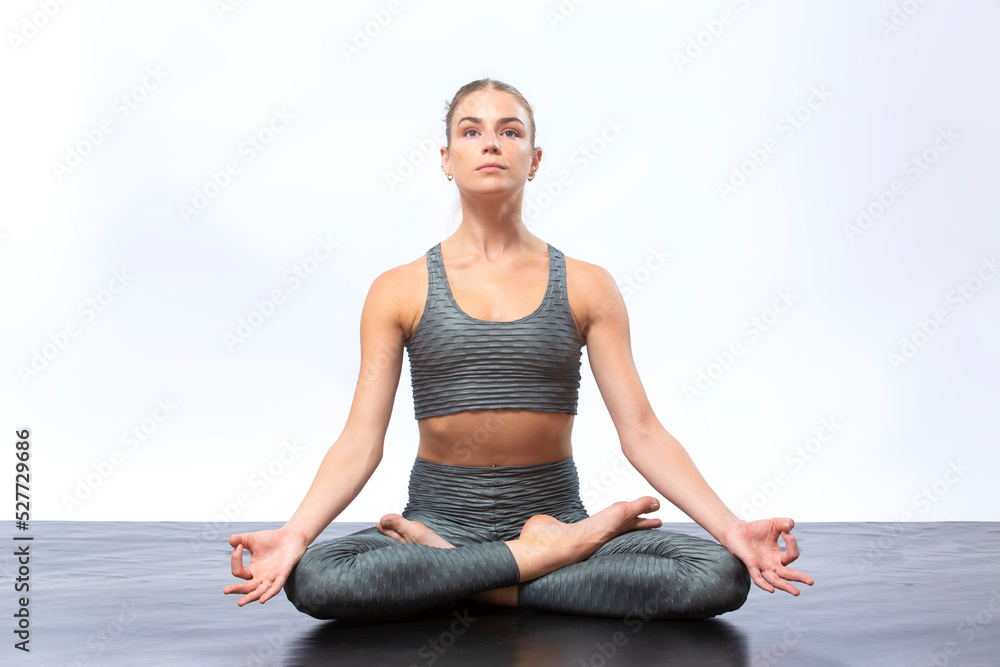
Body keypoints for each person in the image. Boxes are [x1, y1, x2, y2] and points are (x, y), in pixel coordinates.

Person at [223, 78, 814, 621]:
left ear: (534, 161)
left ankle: (469, 568)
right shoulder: (397, 289)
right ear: (446, 159)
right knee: (319, 580)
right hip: (439, 516)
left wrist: (733, 528)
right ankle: (539, 559)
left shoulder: (586, 284)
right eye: (471, 130)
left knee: (715, 575)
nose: (491, 144)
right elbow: (360, 440)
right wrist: (296, 533)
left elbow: (643, 432)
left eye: (510, 131)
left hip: (558, 515)